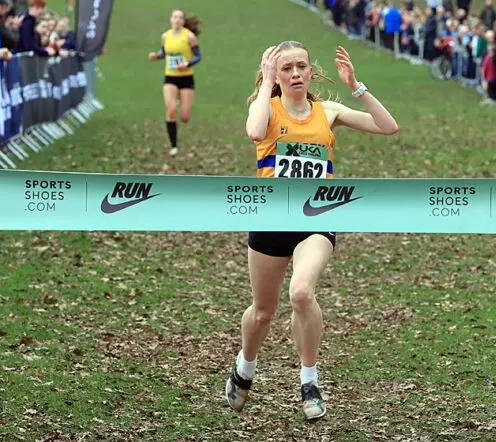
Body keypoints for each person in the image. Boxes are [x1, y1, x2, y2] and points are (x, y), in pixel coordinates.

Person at [224, 41, 398, 421]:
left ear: (311, 71)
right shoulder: (266, 108)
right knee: (263, 312)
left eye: (301, 66)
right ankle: (245, 366)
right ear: (277, 75)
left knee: (301, 293)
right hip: (271, 220)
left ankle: (309, 382)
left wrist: (356, 87)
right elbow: (254, 131)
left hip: (317, 219)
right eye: (286, 69)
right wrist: (265, 84)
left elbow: (388, 127)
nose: (295, 74)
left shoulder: (328, 112)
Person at [148, 9, 202, 156]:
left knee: (184, 117)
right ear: (171, 19)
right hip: (170, 78)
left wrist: (187, 64)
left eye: (180, 17)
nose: (177, 20)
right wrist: (156, 56)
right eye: (175, 17)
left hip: (186, 78)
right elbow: (164, 52)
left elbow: (198, 56)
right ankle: (174, 146)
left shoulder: (189, 36)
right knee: (171, 110)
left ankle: (181, 99)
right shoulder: (165, 36)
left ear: (183, 21)